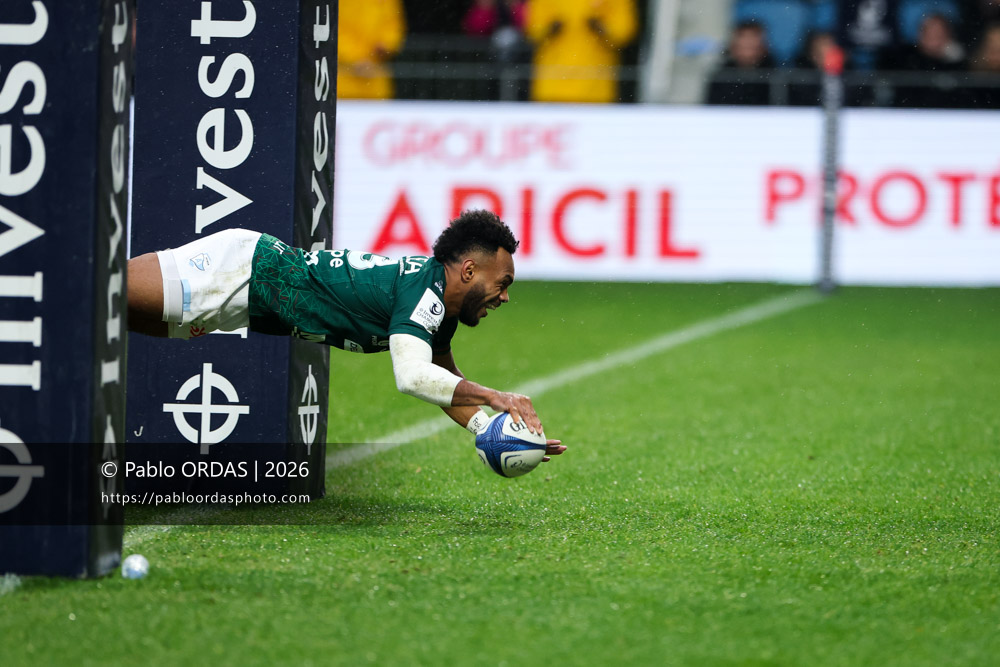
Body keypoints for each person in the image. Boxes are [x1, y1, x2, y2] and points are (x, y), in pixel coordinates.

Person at [127, 211, 565, 458]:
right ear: (469, 270)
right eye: (502, 283)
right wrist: (497, 397)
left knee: (107, 319)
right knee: (100, 293)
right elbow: (412, 377)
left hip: (241, 307)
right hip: (240, 272)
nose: (504, 297)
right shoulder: (423, 292)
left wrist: (499, 436)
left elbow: (442, 384)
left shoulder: (439, 309)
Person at [524, 0, 638, 104]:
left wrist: (601, 29)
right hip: (552, 86)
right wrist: (550, 29)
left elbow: (624, 32)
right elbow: (532, 29)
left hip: (594, 88)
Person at [337, 0, 406, 99]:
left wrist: (386, 45)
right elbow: (336, 31)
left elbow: (394, 26)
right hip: (344, 83)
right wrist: (356, 59)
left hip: (376, 84)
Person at [705, 20, 776, 106]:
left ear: (763, 46)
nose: (747, 52)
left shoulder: (779, 77)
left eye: (752, 47)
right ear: (733, 47)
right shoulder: (720, 76)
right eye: (743, 47)